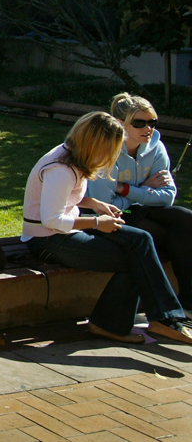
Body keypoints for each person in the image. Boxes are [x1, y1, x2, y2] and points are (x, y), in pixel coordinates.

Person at [22, 111, 192, 345]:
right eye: (111, 149)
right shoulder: (60, 169)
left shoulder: (75, 156)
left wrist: (95, 204)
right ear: (95, 144)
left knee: (141, 240)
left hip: (67, 229)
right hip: (47, 239)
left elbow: (65, 199)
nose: (112, 156)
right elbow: (52, 220)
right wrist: (96, 222)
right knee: (137, 259)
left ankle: (163, 320)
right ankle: (135, 323)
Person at [86, 93, 192, 301]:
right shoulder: (104, 152)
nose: (148, 128)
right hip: (106, 216)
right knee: (167, 235)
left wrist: (126, 189)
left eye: (152, 122)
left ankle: (188, 299)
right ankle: (173, 306)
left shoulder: (156, 147)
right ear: (119, 124)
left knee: (186, 218)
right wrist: (144, 189)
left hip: (136, 206)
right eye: (139, 123)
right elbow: (108, 206)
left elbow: (167, 196)